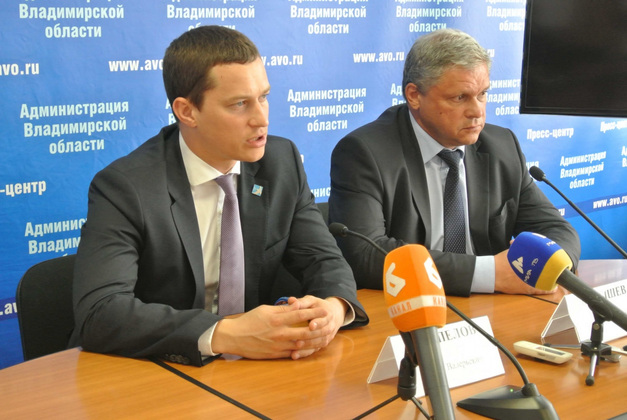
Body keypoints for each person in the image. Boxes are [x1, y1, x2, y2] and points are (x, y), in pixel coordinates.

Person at [69, 25, 368, 367]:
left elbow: (323, 259)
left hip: (252, 370)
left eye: (264, 97)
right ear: (187, 111)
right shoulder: (126, 187)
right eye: (239, 104)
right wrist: (225, 333)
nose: (261, 119)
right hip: (159, 369)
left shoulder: (281, 162)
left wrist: (333, 308)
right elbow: (100, 313)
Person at [328, 28, 580, 296]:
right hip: (412, 304)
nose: (477, 111)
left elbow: (556, 229)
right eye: (460, 97)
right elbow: (365, 254)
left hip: (494, 307)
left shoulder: (501, 146)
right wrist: (490, 275)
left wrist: (551, 269)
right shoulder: (365, 153)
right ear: (414, 95)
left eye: (482, 94)